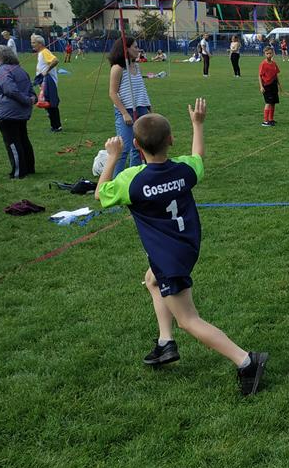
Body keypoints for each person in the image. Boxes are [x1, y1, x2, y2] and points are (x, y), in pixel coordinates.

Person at [94, 99, 268, 396]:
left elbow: (100, 194)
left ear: (136, 145)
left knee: (188, 320)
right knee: (152, 280)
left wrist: (112, 157)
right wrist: (197, 124)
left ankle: (246, 361)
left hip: (168, 258)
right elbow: (198, 155)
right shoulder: (184, 170)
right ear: (171, 140)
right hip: (186, 245)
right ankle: (166, 343)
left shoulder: (131, 181)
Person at [0, 44, 35, 179]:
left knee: (13, 142)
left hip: (8, 113)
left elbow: (10, 90)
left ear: (2, 57)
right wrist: (32, 98)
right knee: (23, 140)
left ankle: (18, 172)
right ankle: (29, 168)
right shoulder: (20, 70)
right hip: (19, 112)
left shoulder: (3, 70)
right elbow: (30, 89)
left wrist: (27, 100)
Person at [108, 36, 152, 176]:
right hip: (125, 111)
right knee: (123, 148)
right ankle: (116, 180)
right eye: (135, 47)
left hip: (141, 109)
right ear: (125, 49)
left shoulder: (136, 66)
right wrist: (124, 113)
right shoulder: (118, 68)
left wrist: (148, 107)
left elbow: (141, 89)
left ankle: (134, 177)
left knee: (138, 147)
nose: (138, 49)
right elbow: (112, 93)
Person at [30, 34, 62, 133]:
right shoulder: (41, 53)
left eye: (34, 43)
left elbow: (55, 60)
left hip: (49, 82)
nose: (32, 44)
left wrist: (46, 71)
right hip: (44, 83)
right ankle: (54, 125)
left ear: (40, 44)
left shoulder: (45, 52)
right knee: (47, 104)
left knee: (51, 104)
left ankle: (56, 126)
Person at [258, 46, 281, 126]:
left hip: (273, 85)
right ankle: (265, 121)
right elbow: (260, 76)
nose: (269, 55)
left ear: (273, 53)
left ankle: (271, 119)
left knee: (273, 102)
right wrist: (261, 86)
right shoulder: (263, 64)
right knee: (268, 102)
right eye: (267, 53)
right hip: (267, 86)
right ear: (264, 54)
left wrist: (279, 84)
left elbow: (276, 74)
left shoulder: (274, 63)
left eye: (270, 53)